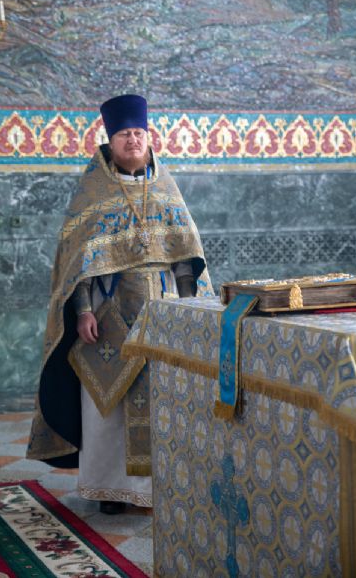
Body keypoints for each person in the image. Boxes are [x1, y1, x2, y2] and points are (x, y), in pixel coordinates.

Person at [27, 94, 214, 514]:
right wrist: (83, 311)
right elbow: (76, 264)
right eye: (125, 134)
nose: (133, 140)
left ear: (148, 138)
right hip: (109, 312)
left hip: (164, 307)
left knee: (164, 399)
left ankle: (161, 487)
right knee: (107, 403)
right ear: (110, 141)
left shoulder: (164, 185)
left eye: (138, 133)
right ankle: (110, 491)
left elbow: (186, 252)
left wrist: (191, 305)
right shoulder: (93, 191)